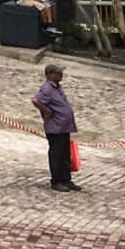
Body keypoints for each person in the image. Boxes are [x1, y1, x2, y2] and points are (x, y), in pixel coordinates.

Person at [32, 63, 79, 192]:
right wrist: (47, 111)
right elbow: (36, 100)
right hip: (55, 127)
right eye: (58, 73)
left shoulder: (57, 87)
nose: (61, 75)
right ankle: (56, 181)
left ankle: (66, 179)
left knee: (65, 154)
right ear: (50, 75)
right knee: (56, 155)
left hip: (63, 127)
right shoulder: (47, 88)